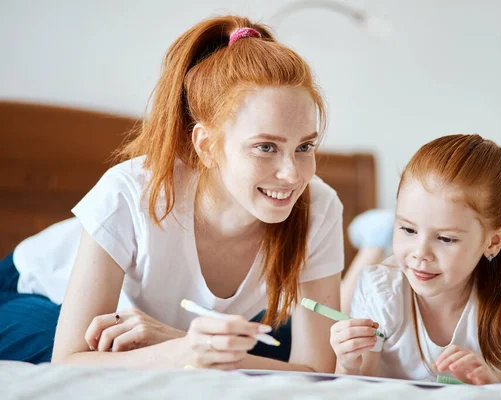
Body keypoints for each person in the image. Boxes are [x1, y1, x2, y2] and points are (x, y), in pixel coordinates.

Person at [0, 15, 343, 371]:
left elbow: (315, 369)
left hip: (163, 328)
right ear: (207, 145)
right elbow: (68, 361)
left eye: (304, 147)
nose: (291, 174)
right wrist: (183, 352)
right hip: (32, 293)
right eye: (266, 147)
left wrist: (179, 341)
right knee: (110, 352)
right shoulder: (130, 192)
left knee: (258, 340)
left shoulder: (317, 207)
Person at [330, 134, 501, 384]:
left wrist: (495, 383)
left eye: (445, 238)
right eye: (408, 230)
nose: (420, 253)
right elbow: (355, 386)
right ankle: (375, 239)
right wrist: (347, 365)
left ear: (494, 241)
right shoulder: (381, 290)